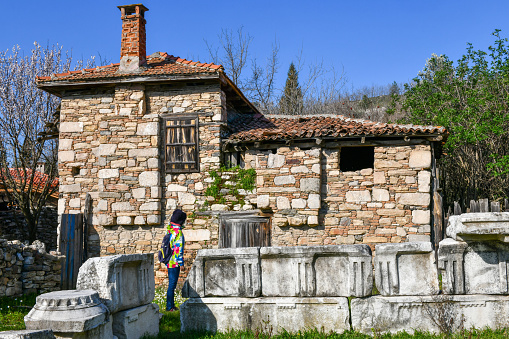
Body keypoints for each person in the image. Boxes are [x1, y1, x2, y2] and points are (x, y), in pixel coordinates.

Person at [166, 209, 186, 312]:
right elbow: (178, 247)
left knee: (171, 284)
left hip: (169, 260)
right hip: (174, 262)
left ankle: (171, 305)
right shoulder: (178, 232)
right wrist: (181, 262)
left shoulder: (169, 229)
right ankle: (169, 307)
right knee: (172, 285)